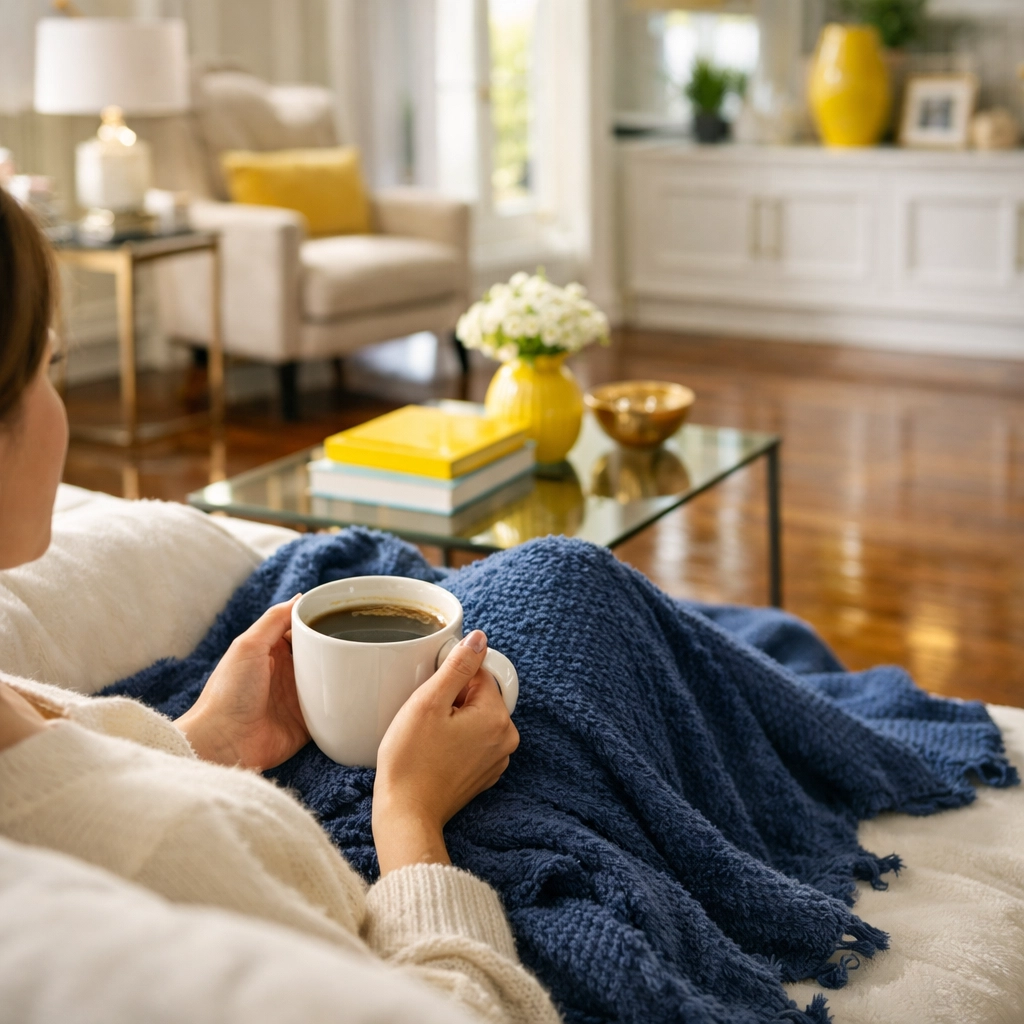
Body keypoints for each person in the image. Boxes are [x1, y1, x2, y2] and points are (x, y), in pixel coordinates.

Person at [0, 188, 559, 1023]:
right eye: (49, 368)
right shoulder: (156, 854)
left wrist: (203, 739)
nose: (63, 409)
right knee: (563, 581)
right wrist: (410, 816)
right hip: (422, 842)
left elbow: (65, 770)